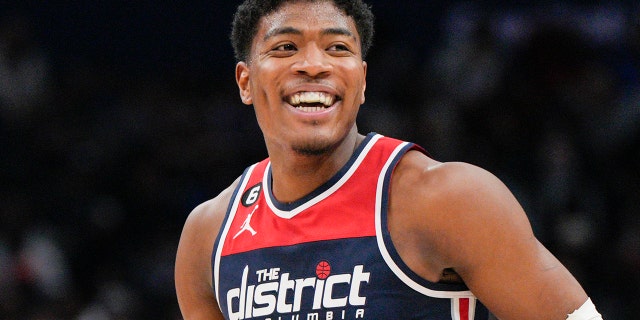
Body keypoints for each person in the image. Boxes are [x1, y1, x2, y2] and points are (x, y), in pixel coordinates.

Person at [175, 0, 603, 319]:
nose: (313, 65)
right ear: (246, 82)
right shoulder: (208, 235)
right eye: (286, 47)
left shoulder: (447, 198)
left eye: (337, 48)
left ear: (361, 81)